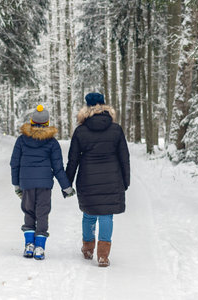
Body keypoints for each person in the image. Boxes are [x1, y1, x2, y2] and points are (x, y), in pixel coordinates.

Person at [66, 92, 130, 267]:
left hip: (87, 178)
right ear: (104, 106)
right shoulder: (116, 129)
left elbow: (73, 159)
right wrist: (126, 180)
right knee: (106, 215)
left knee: (89, 214)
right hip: (112, 177)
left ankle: (87, 249)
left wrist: (67, 182)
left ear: (87, 108)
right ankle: (103, 255)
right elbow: (124, 157)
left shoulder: (81, 130)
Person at [10, 104, 75, 260]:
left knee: (29, 212)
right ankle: (40, 247)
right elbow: (58, 168)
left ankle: (29, 246)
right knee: (42, 213)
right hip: (45, 185)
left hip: (26, 183)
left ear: (31, 121)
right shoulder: (52, 143)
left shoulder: (21, 140)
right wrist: (66, 187)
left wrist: (16, 185)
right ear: (47, 123)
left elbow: (15, 164)